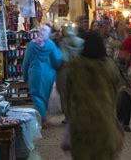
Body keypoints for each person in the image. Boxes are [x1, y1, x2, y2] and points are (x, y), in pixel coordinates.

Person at [65, 31, 123, 159]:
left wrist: (69, 121)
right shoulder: (109, 66)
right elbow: (117, 93)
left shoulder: (75, 65)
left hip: (81, 126)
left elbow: (67, 96)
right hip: (105, 124)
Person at [23, 25, 62, 128]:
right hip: (49, 75)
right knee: (44, 97)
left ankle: (42, 119)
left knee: (37, 97)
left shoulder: (31, 45)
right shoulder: (51, 45)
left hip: (35, 73)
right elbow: (57, 60)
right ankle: (42, 118)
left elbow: (26, 62)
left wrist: (24, 76)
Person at [56, 25, 84, 123]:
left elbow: (61, 57)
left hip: (66, 68)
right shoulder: (81, 42)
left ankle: (68, 116)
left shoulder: (62, 42)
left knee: (64, 92)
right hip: (78, 69)